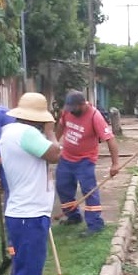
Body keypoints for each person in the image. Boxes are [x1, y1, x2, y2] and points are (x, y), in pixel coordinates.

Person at [0, 92, 61, 275]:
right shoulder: (27, 134)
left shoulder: (10, 132)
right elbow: (55, 154)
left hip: (26, 211)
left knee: (30, 264)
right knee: (27, 267)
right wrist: (51, 131)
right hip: (29, 213)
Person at [54, 90, 120, 237]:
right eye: (69, 108)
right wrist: (54, 144)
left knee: (89, 190)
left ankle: (95, 224)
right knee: (63, 187)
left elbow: (110, 139)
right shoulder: (67, 112)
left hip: (85, 160)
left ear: (83, 104)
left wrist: (115, 164)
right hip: (66, 157)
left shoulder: (95, 116)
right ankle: (73, 216)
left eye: (74, 108)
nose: (71, 111)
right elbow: (60, 126)